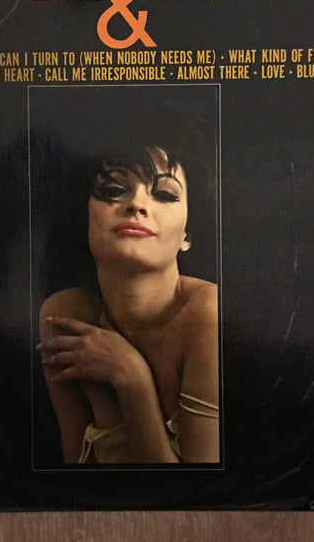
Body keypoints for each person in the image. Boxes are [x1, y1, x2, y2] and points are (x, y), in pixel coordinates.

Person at [36, 103, 219, 464]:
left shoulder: (207, 316)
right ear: (86, 217)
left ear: (188, 234)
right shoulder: (64, 316)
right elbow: (76, 478)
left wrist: (131, 378)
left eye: (164, 194)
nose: (137, 204)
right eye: (115, 189)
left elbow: (195, 491)